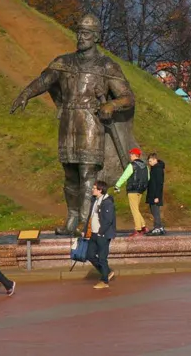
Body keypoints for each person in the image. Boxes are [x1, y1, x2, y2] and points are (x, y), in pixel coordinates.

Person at [10, 13, 137, 235]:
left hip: (90, 122)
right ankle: (72, 219)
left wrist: (111, 106)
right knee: (70, 173)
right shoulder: (63, 62)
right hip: (68, 121)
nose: (81, 37)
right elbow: (45, 80)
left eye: (86, 34)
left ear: (96, 37)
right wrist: (26, 93)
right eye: (79, 33)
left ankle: (84, 222)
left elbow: (128, 97)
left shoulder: (107, 66)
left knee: (88, 172)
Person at [87, 180, 117, 289]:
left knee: (102, 258)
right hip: (94, 233)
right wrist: (87, 230)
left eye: (94, 188)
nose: (92, 189)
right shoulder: (95, 200)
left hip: (102, 234)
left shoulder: (107, 202)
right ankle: (107, 272)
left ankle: (104, 281)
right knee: (89, 255)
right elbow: (91, 217)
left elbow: (108, 220)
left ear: (100, 190)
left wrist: (101, 232)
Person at [114, 147, 150, 235]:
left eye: (131, 154)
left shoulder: (132, 165)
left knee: (134, 210)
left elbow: (125, 176)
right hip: (141, 190)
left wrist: (117, 185)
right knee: (136, 209)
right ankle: (143, 226)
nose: (130, 155)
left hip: (133, 190)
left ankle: (138, 229)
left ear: (135, 155)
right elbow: (148, 177)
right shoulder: (145, 166)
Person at [146, 153, 166, 235]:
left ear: (155, 160)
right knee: (153, 210)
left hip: (155, 195)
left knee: (155, 211)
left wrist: (157, 196)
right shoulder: (154, 168)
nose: (149, 163)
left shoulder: (157, 169)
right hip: (152, 194)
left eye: (150, 161)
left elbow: (159, 183)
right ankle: (159, 227)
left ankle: (157, 227)